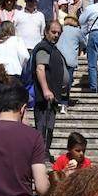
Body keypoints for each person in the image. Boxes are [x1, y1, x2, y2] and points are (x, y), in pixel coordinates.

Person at [31, 18, 64, 159]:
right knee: (42, 126)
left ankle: (45, 151)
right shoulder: (43, 47)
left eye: (58, 33)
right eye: (53, 32)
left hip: (53, 97)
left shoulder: (52, 48)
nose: (56, 35)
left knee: (49, 127)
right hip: (45, 97)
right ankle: (40, 153)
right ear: (46, 32)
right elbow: (40, 68)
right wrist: (45, 89)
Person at [55, 11, 82, 104]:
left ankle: (57, 100)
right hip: (70, 59)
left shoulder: (60, 29)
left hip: (58, 58)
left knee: (58, 80)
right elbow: (84, 43)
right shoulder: (77, 31)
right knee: (68, 81)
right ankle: (64, 102)